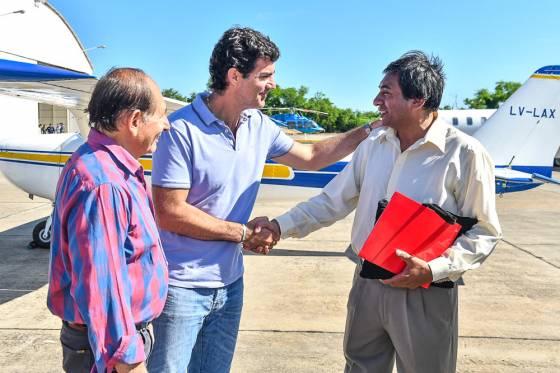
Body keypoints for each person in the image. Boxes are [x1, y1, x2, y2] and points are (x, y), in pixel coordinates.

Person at [148, 26, 378, 373]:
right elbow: (169, 213)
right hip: (181, 288)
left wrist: (370, 130)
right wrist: (242, 234)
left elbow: (313, 155)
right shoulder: (180, 130)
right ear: (234, 75)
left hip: (230, 284)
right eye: (265, 75)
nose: (273, 84)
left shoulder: (259, 124)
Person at [255, 51, 502, 373]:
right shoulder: (374, 145)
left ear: (419, 99)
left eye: (386, 93)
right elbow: (332, 201)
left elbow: (485, 231)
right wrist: (278, 226)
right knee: (360, 366)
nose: (376, 101)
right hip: (367, 282)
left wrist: (433, 269)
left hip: (424, 291)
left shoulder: (465, 154)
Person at [47, 67, 170, 373]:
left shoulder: (103, 166)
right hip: (108, 352)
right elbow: (102, 283)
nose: (166, 125)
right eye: (162, 115)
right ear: (134, 120)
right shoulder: (105, 183)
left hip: (110, 340)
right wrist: (126, 359)